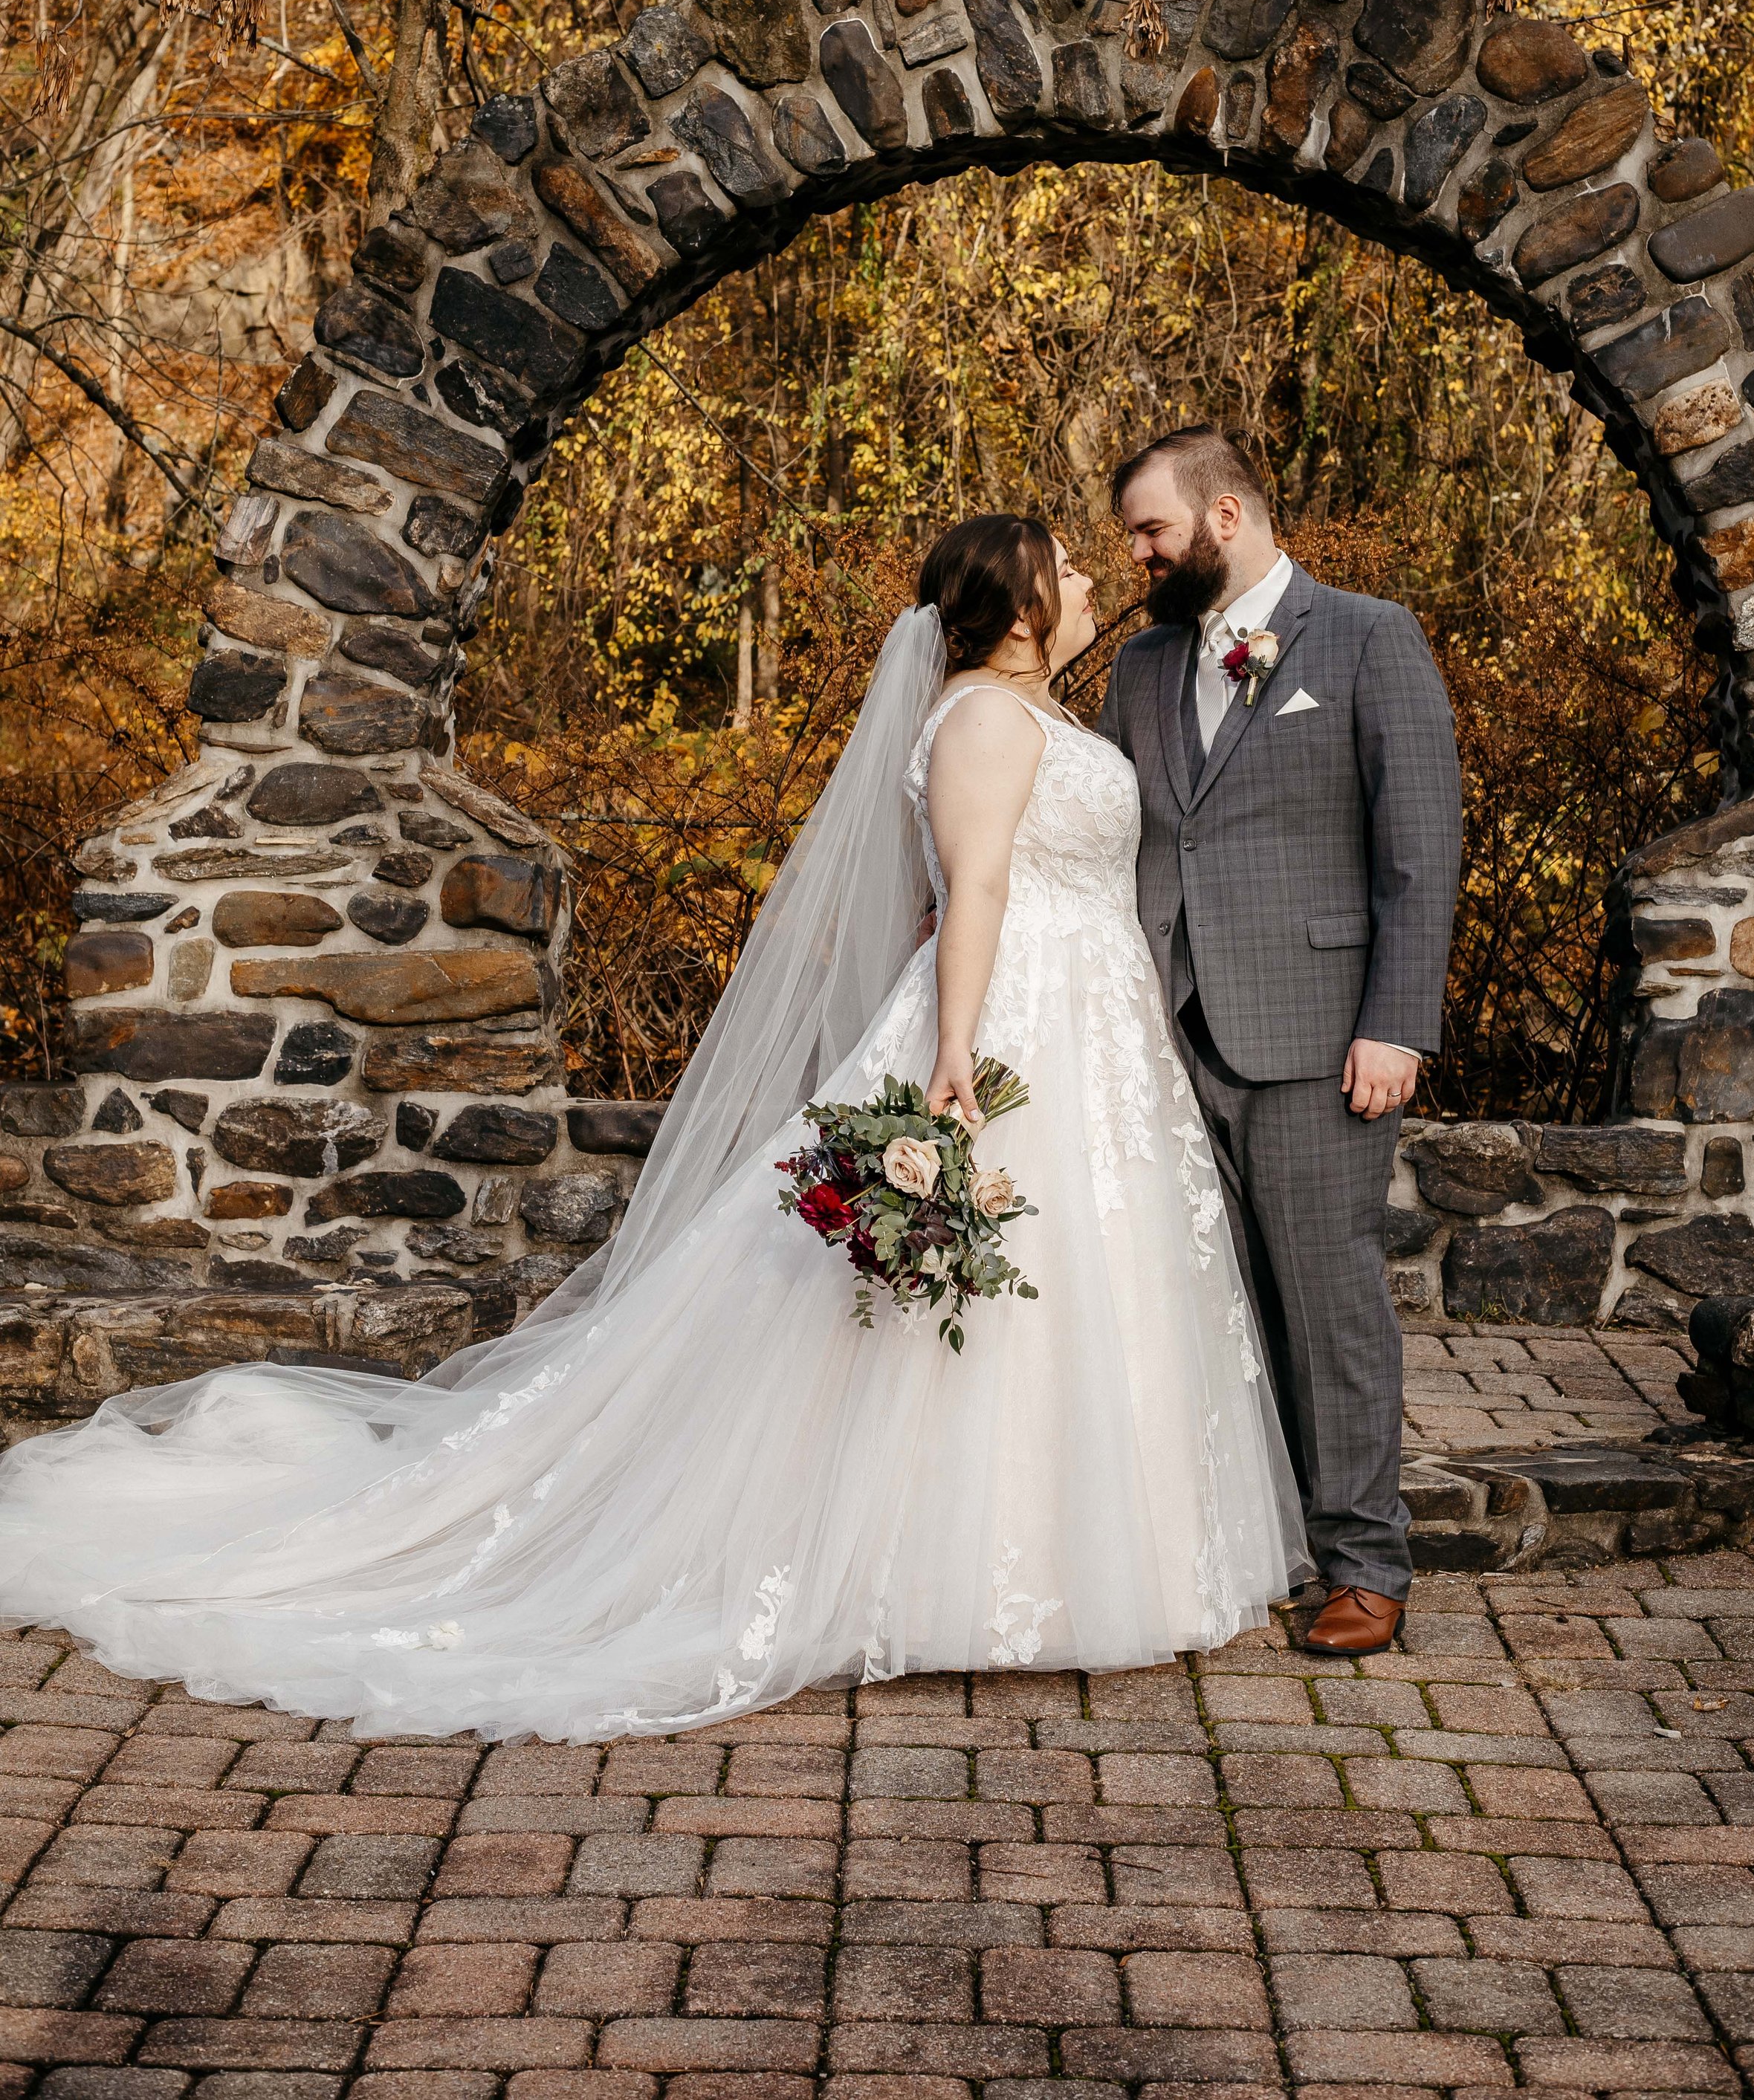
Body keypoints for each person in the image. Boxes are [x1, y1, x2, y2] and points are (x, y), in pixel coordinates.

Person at [0, 514, 1301, 1738]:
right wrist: (957, 1050)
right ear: (1016, 606)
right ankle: (957, 1569)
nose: (1086, 581)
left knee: (1077, 1287)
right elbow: (975, 890)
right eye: (1063, 567)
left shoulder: (1033, 708)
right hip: (1015, 1019)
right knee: (956, 1299)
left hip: (1097, 1029)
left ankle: (1078, 1552)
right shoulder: (981, 721)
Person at [1101, 428, 1461, 1656]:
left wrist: (1397, 1024)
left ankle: (1367, 1563)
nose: (1139, 554)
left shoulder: (1369, 638)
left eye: (1152, 529)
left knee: (1328, 1302)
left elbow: (1421, 851)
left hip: (1320, 1038)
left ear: (1228, 512)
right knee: (1216, 1307)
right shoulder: (1142, 668)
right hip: (1165, 1036)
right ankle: (1256, 1541)